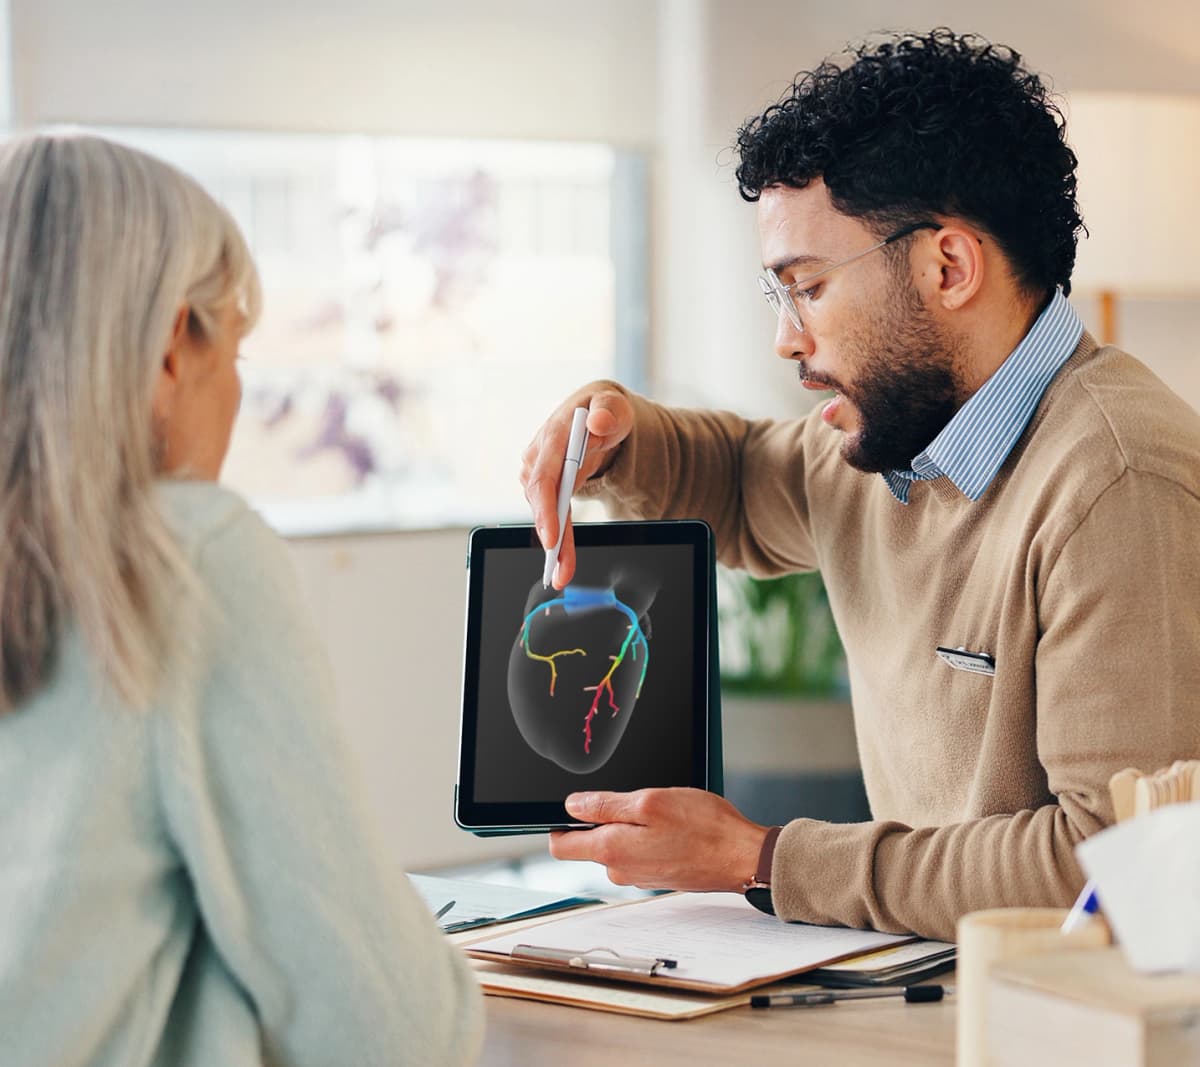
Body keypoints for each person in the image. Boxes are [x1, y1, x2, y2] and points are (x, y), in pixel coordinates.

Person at [520, 29, 1200, 942]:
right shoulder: (892, 437)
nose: (787, 340)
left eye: (806, 287)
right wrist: (621, 436)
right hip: (916, 984)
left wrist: (762, 859)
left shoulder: (1117, 483)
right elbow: (740, 480)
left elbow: (1118, 866)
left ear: (948, 267)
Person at [0, 133, 482, 1065]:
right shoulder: (188, 557)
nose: (240, 389)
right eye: (236, 344)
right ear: (174, 349)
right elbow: (392, 1029)